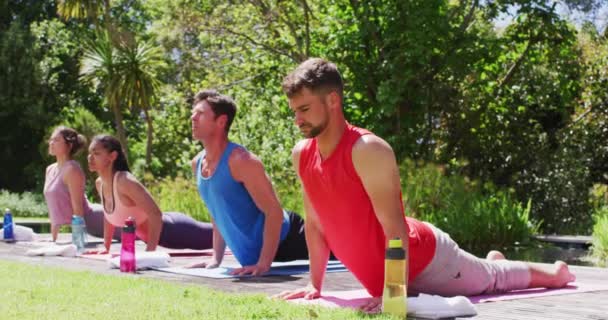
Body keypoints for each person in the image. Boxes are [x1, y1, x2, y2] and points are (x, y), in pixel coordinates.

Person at [274, 58, 576, 311]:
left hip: (428, 261)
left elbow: (395, 229)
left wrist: (393, 294)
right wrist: (315, 284)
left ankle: (556, 272)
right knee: (485, 270)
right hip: (395, 273)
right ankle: (490, 261)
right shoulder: (302, 154)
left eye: (304, 109)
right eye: (293, 111)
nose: (297, 119)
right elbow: (315, 223)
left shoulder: (366, 150)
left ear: (333, 100)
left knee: (493, 278)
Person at [188, 90, 308, 276]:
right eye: (193, 113)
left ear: (221, 122)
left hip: (291, 241)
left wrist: (263, 264)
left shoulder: (241, 160)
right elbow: (217, 212)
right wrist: (215, 259)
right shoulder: (197, 163)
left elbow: (273, 212)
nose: (193, 117)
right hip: (256, 256)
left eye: (201, 113)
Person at [87, 134, 213, 252]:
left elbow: (155, 214)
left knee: (225, 233)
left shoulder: (124, 181)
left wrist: (150, 252)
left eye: (96, 153)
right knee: (225, 232)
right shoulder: (100, 183)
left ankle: (216, 151)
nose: (90, 158)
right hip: (164, 238)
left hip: (175, 231)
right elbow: (109, 217)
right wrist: (106, 247)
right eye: (90, 153)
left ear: (112, 156)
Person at [44, 126, 105, 241]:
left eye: (56, 140)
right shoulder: (50, 169)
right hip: (89, 226)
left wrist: (78, 241)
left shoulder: (72, 169)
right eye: (51, 140)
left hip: (96, 220)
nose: (51, 143)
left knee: (139, 233)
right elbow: (53, 209)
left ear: (69, 146)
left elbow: (78, 208)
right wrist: (53, 240)